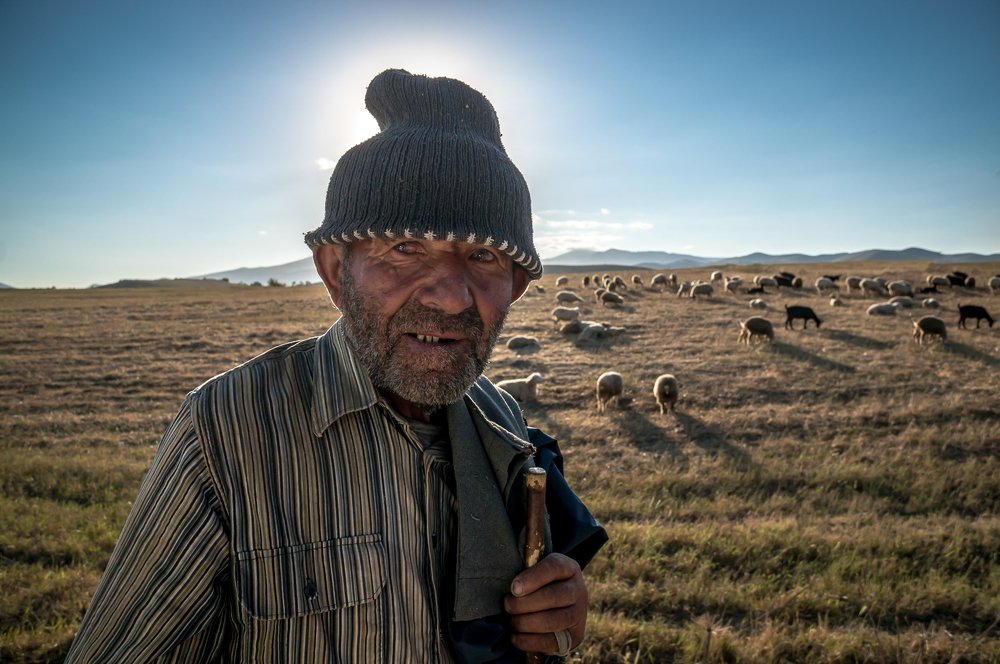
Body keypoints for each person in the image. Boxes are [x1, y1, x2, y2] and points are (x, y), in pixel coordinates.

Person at [65, 68, 607, 663]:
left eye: (483, 256)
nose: (450, 297)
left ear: (518, 286)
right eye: (405, 249)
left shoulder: (499, 419)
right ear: (333, 271)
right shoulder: (227, 431)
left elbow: (534, 610)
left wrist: (552, 614)